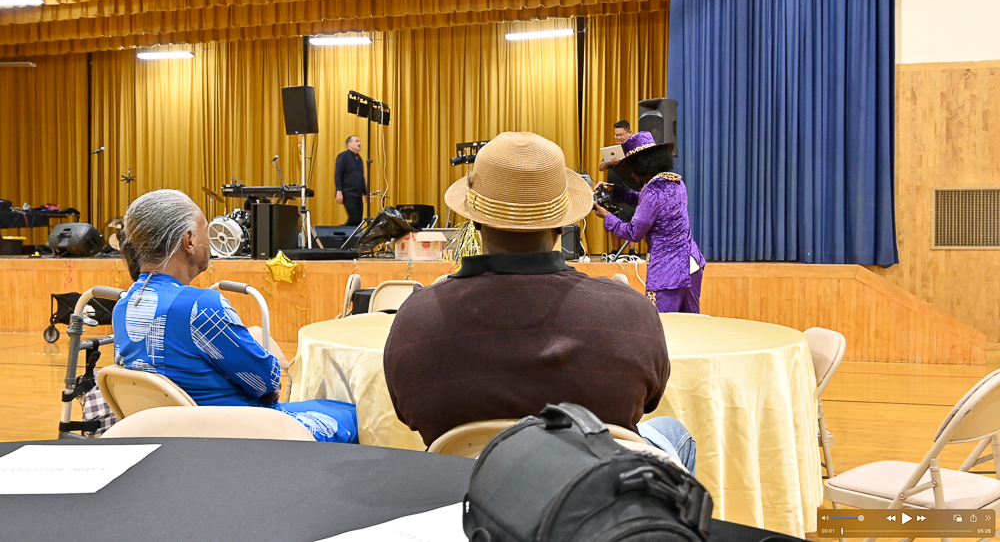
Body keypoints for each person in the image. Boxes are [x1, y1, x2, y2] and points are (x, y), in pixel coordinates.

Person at [383, 132, 696, 472]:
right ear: (563, 223)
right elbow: (649, 402)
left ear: (475, 220)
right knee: (672, 432)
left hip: (464, 489)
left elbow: (406, 414)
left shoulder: (416, 318)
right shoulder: (632, 313)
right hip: (598, 490)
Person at [113, 189, 358, 443]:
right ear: (189, 241)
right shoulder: (201, 306)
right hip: (238, 434)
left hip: (169, 437)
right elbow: (267, 383)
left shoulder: (123, 307)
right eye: (205, 230)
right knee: (354, 415)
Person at [594, 131, 707, 313]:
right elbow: (647, 202)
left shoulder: (652, 191)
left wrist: (607, 217)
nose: (631, 174)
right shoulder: (676, 183)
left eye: (632, 168)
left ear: (641, 166)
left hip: (668, 272)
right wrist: (616, 191)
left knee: (661, 324)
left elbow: (633, 233)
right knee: (691, 324)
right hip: (692, 265)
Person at [598, 120, 641, 255]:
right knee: (613, 217)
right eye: (616, 135)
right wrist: (609, 161)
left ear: (629, 132)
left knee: (632, 220)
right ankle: (615, 250)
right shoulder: (613, 150)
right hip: (613, 191)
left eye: (621, 135)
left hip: (630, 190)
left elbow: (640, 169)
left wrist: (624, 162)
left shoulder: (635, 149)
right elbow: (601, 167)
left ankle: (632, 251)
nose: (618, 138)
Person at [335, 135, 368, 226]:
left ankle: (349, 234)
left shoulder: (359, 159)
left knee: (358, 220)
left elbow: (361, 177)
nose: (359, 143)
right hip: (348, 192)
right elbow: (338, 174)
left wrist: (365, 193)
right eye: (356, 141)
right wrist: (339, 191)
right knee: (354, 217)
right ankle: (341, 231)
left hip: (358, 194)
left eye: (359, 141)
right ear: (349, 144)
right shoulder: (343, 156)